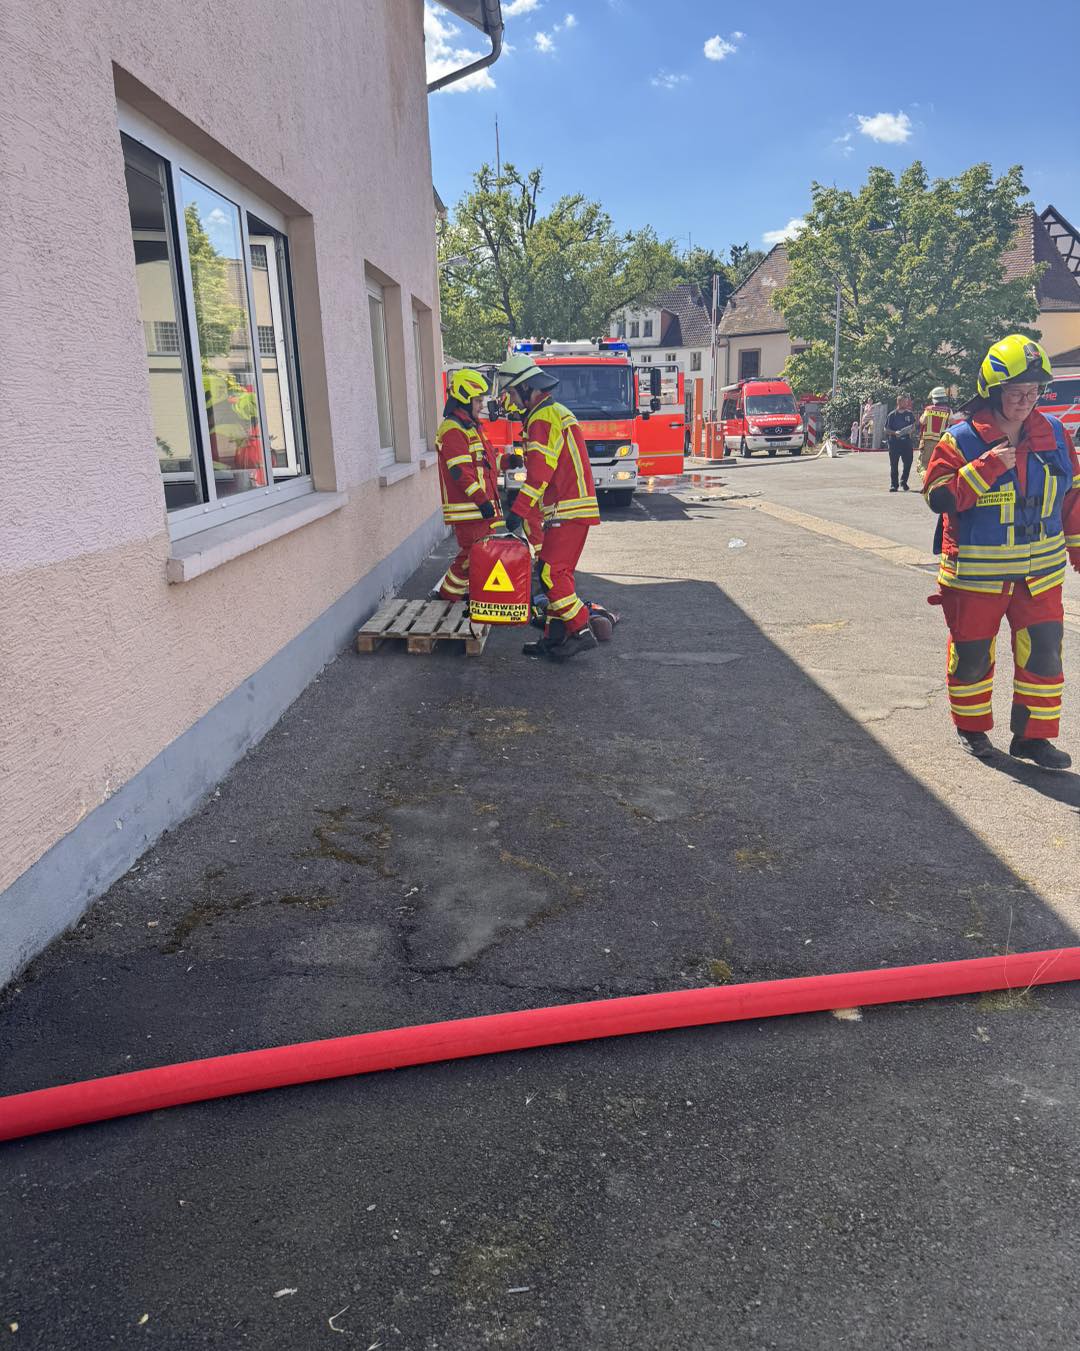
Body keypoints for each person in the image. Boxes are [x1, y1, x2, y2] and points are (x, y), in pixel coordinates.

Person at [922, 334, 1080, 767]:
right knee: (972, 655)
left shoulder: (1055, 433)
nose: (1025, 400)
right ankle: (972, 730)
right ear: (993, 391)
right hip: (977, 577)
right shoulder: (960, 440)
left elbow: (1073, 495)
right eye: (1015, 392)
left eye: (1033, 392)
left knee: (1045, 655)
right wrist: (984, 469)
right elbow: (937, 496)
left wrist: (1078, 548)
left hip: (1041, 577)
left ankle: (1033, 738)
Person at [494, 352, 600, 661]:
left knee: (552, 574)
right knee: (553, 573)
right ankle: (555, 638)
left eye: (513, 392)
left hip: (568, 508)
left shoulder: (541, 418)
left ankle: (581, 630)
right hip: (567, 507)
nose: (511, 400)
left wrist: (519, 511)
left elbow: (540, 474)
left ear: (527, 388)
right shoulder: (547, 413)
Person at [431, 368, 521, 603]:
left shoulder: (472, 428)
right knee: (472, 553)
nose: (481, 405)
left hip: (480, 507)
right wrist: (481, 500)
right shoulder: (453, 429)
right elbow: (461, 472)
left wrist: (508, 462)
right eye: (478, 400)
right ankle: (447, 594)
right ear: (464, 398)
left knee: (479, 553)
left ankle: (459, 592)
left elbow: (487, 464)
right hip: (469, 508)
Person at [883, 394, 918, 491]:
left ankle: (903, 481)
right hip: (894, 442)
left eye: (907, 402)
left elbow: (913, 425)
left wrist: (911, 430)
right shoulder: (892, 415)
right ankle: (894, 485)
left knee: (908, 462)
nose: (906, 403)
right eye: (904, 402)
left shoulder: (909, 414)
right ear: (898, 402)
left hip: (906, 441)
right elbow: (886, 429)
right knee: (894, 464)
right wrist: (894, 433)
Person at [916, 387, 952, 479]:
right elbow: (951, 424)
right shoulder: (949, 411)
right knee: (937, 464)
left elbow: (923, 421)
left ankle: (926, 483)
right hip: (941, 442)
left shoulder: (929, 409)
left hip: (928, 442)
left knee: (924, 464)